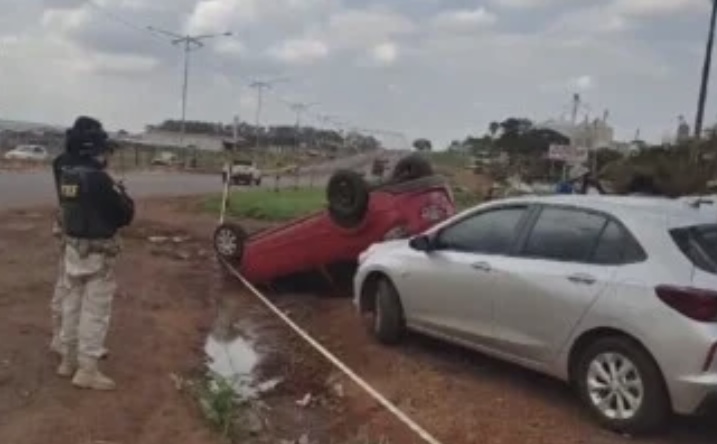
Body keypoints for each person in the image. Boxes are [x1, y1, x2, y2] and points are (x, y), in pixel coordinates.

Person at [57, 116, 135, 391]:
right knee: (95, 311)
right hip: (97, 253)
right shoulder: (99, 180)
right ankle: (87, 369)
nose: (107, 155)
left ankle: (67, 360)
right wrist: (122, 192)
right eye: (104, 150)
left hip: (73, 249)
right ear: (94, 150)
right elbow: (124, 215)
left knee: (71, 304)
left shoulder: (67, 174)